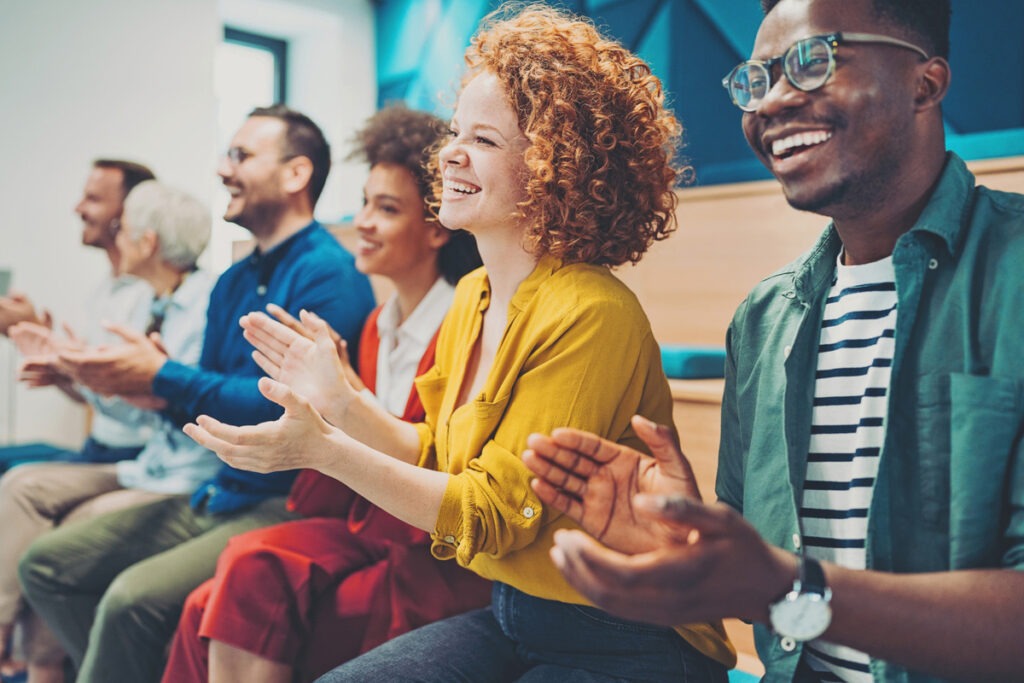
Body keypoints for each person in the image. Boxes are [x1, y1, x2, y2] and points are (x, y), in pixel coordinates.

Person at [187, 7, 735, 682]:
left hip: (624, 632)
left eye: (484, 139)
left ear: (556, 166)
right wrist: (344, 402)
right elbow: (441, 455)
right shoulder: (475, 293)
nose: (449, 153)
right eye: (455, 132)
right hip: (513, 610)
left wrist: (322, 450)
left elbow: (496, 514)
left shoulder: (592, 311)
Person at [524, 0, 1024, 681]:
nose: (774, 102)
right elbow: (768, 585)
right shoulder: (764, 319)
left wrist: (792, 586)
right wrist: (686, 539)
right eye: (756, 80)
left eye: (814, 62)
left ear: (925, 83)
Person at [19, 105, 376, 683]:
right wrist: (138, 382)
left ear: (295, 175)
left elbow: (281, 412)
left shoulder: (327, 274)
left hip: (278, 500)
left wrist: (160, 378)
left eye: (240, 155)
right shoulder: (234, 280)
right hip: (217, 489)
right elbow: (206, 397)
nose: (221, 169)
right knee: (47, 565)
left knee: (129, 600)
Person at [162, 104, 489, 683]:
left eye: (385, 209)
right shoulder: (374, 326)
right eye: (364, 202)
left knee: (243, 573)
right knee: (202, 603)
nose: (361, 221)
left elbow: (438, 466)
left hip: (423, 541)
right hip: (368, 518)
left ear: (437, 227)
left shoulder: (462, 326)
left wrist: (343, 397)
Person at [0, 180, 217, 683]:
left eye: (127, 229)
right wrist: (74, 372)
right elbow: (135, 407)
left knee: (65, 533)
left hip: (183, 475)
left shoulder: (206, 306)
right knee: (21, 484)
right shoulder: (151, 300)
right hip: (147, 464)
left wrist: (99, 377)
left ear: (148, 244)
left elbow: (175, 404)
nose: (119, 238)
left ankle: (46, 668)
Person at [0, 159, 156, 471]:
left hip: (131, 453)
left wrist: (52, 346)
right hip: (97, 446)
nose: (78, 208)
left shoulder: (151, 296)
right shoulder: (104, 290)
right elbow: (86, 394)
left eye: (93, 199)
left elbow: (127, 398)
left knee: (15, 475)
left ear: (128, 214)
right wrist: (41, 346)